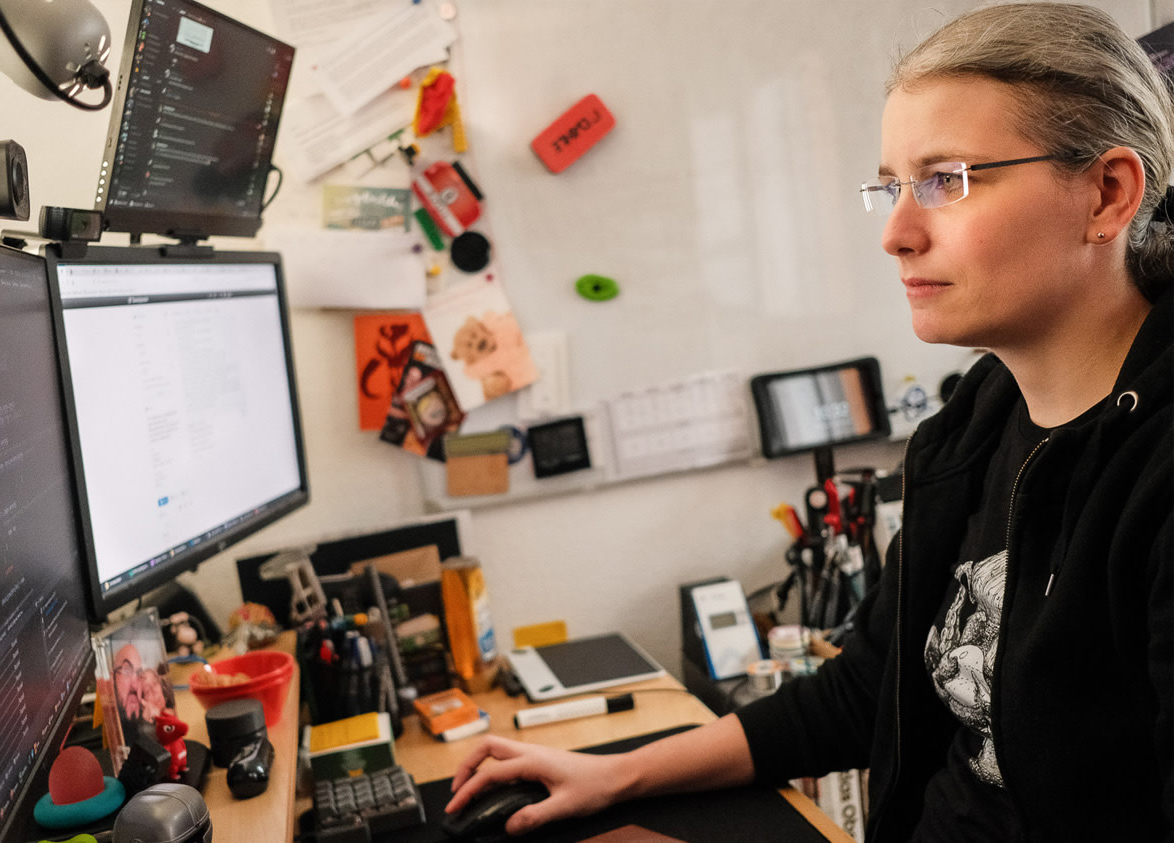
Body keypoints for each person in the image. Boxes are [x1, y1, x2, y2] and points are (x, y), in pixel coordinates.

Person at [445, 4, 1172, 840]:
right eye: (892, 186)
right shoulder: (978, 422)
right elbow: (867, 688)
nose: (897, 233)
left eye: (947, 180)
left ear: (1107, 194)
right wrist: (614, 773)